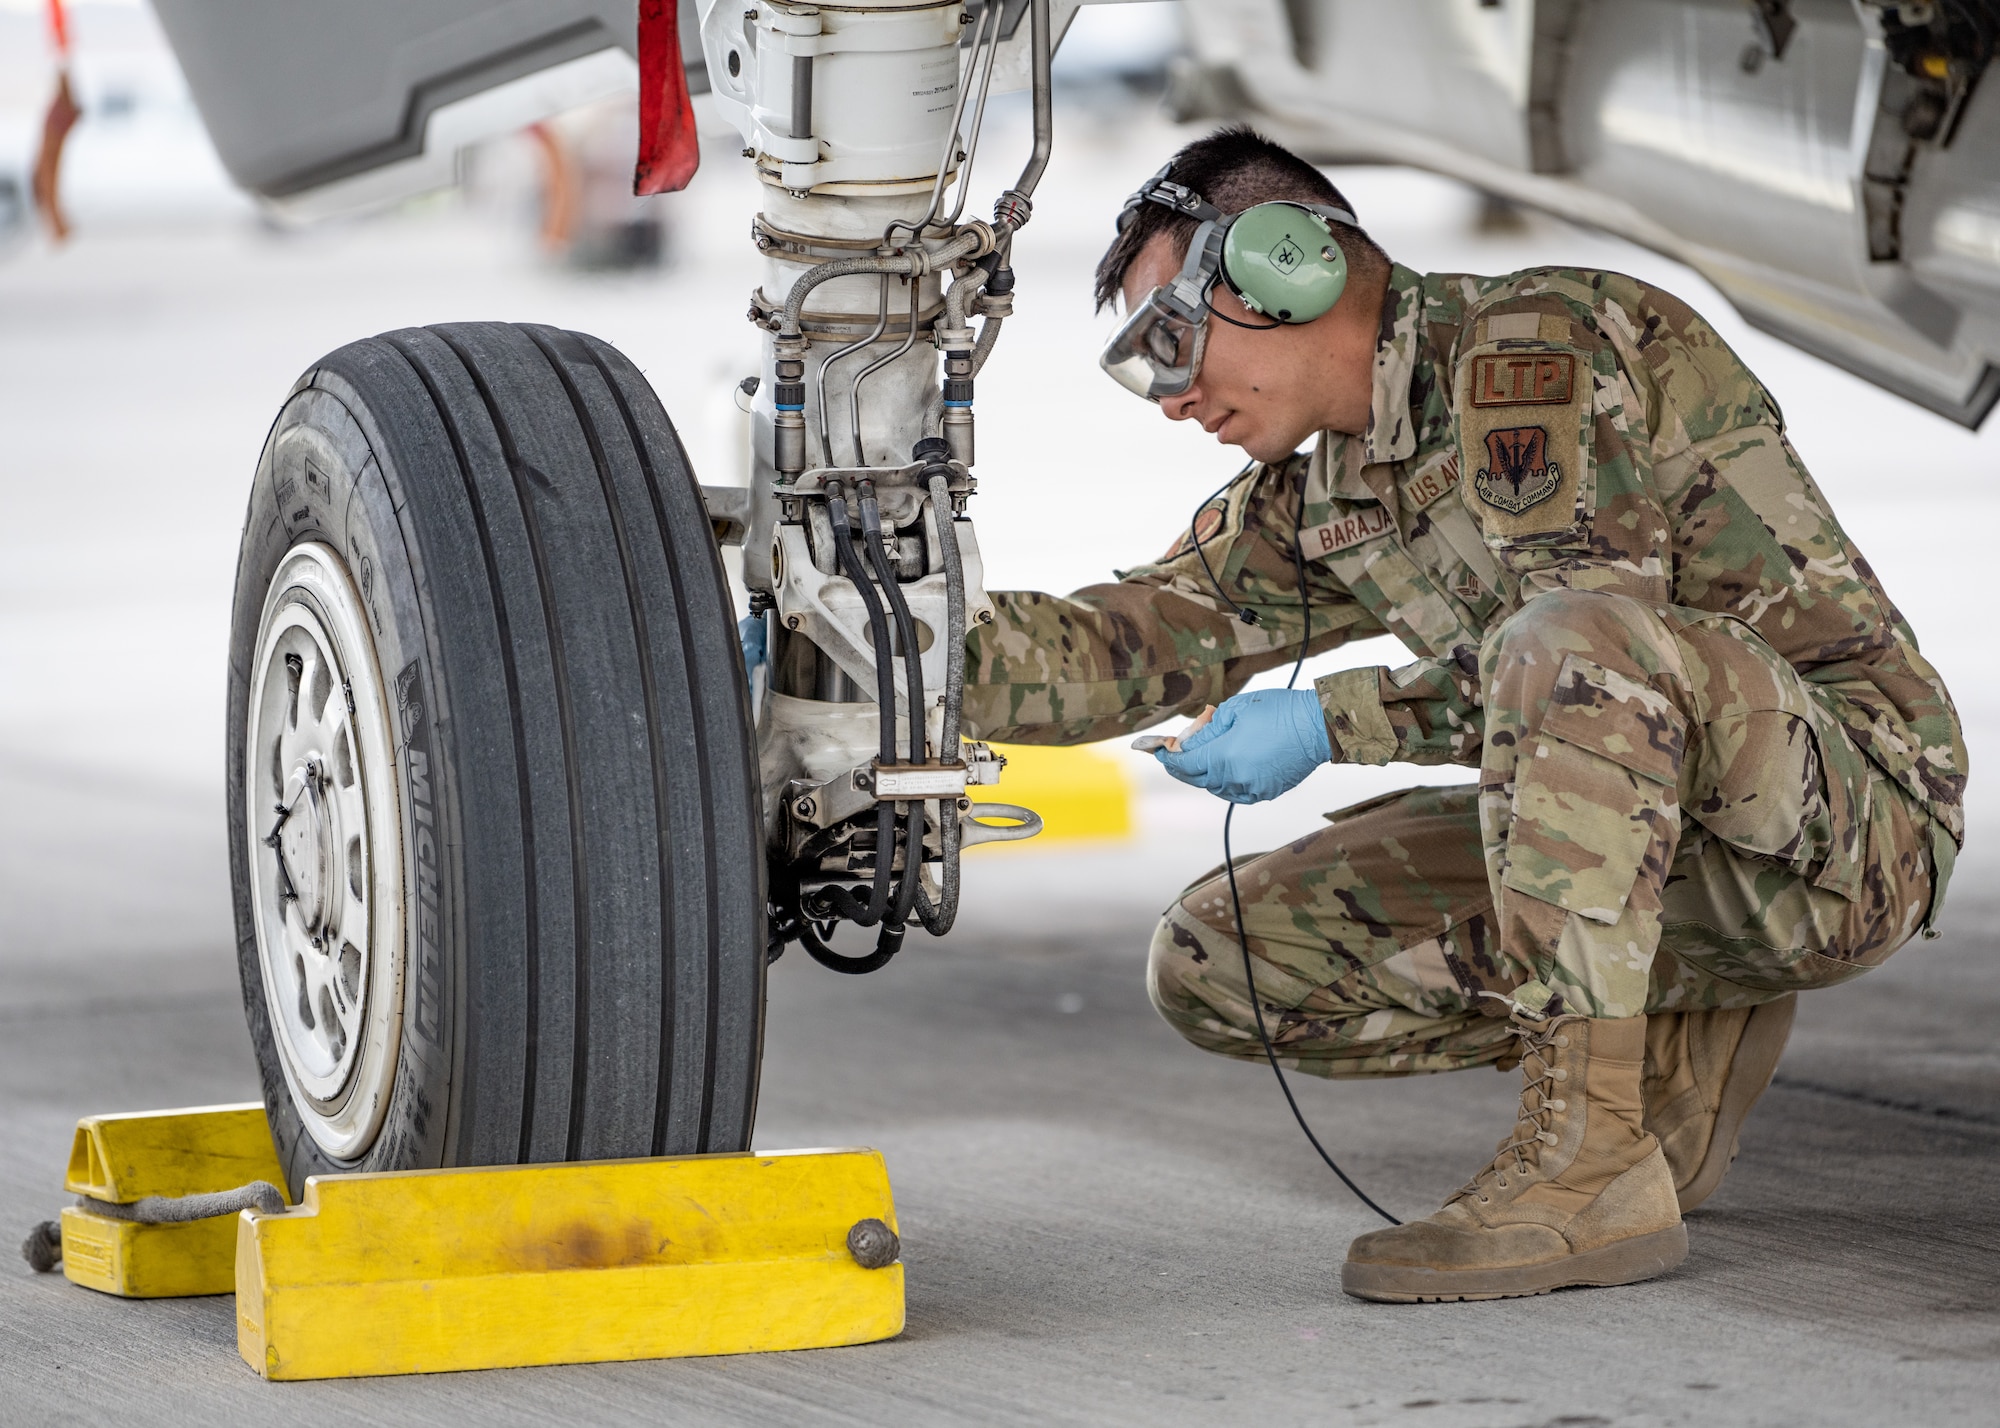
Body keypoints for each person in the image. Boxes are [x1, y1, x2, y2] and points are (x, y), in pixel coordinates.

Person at [959, 126, 1965, 1302]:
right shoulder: (1319, 480)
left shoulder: (1535, 354)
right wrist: (883, 651)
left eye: (1172, 340)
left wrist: (1330, 723)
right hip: (1665, 850)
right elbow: (1131, 642)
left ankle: (1585, 1168)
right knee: (1218, 957)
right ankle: (1671, 1031)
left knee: (1561, 643)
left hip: (1845, 825)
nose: (1171, 395)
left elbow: (1584, 655)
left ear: (1289, 266)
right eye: (1142, 364)